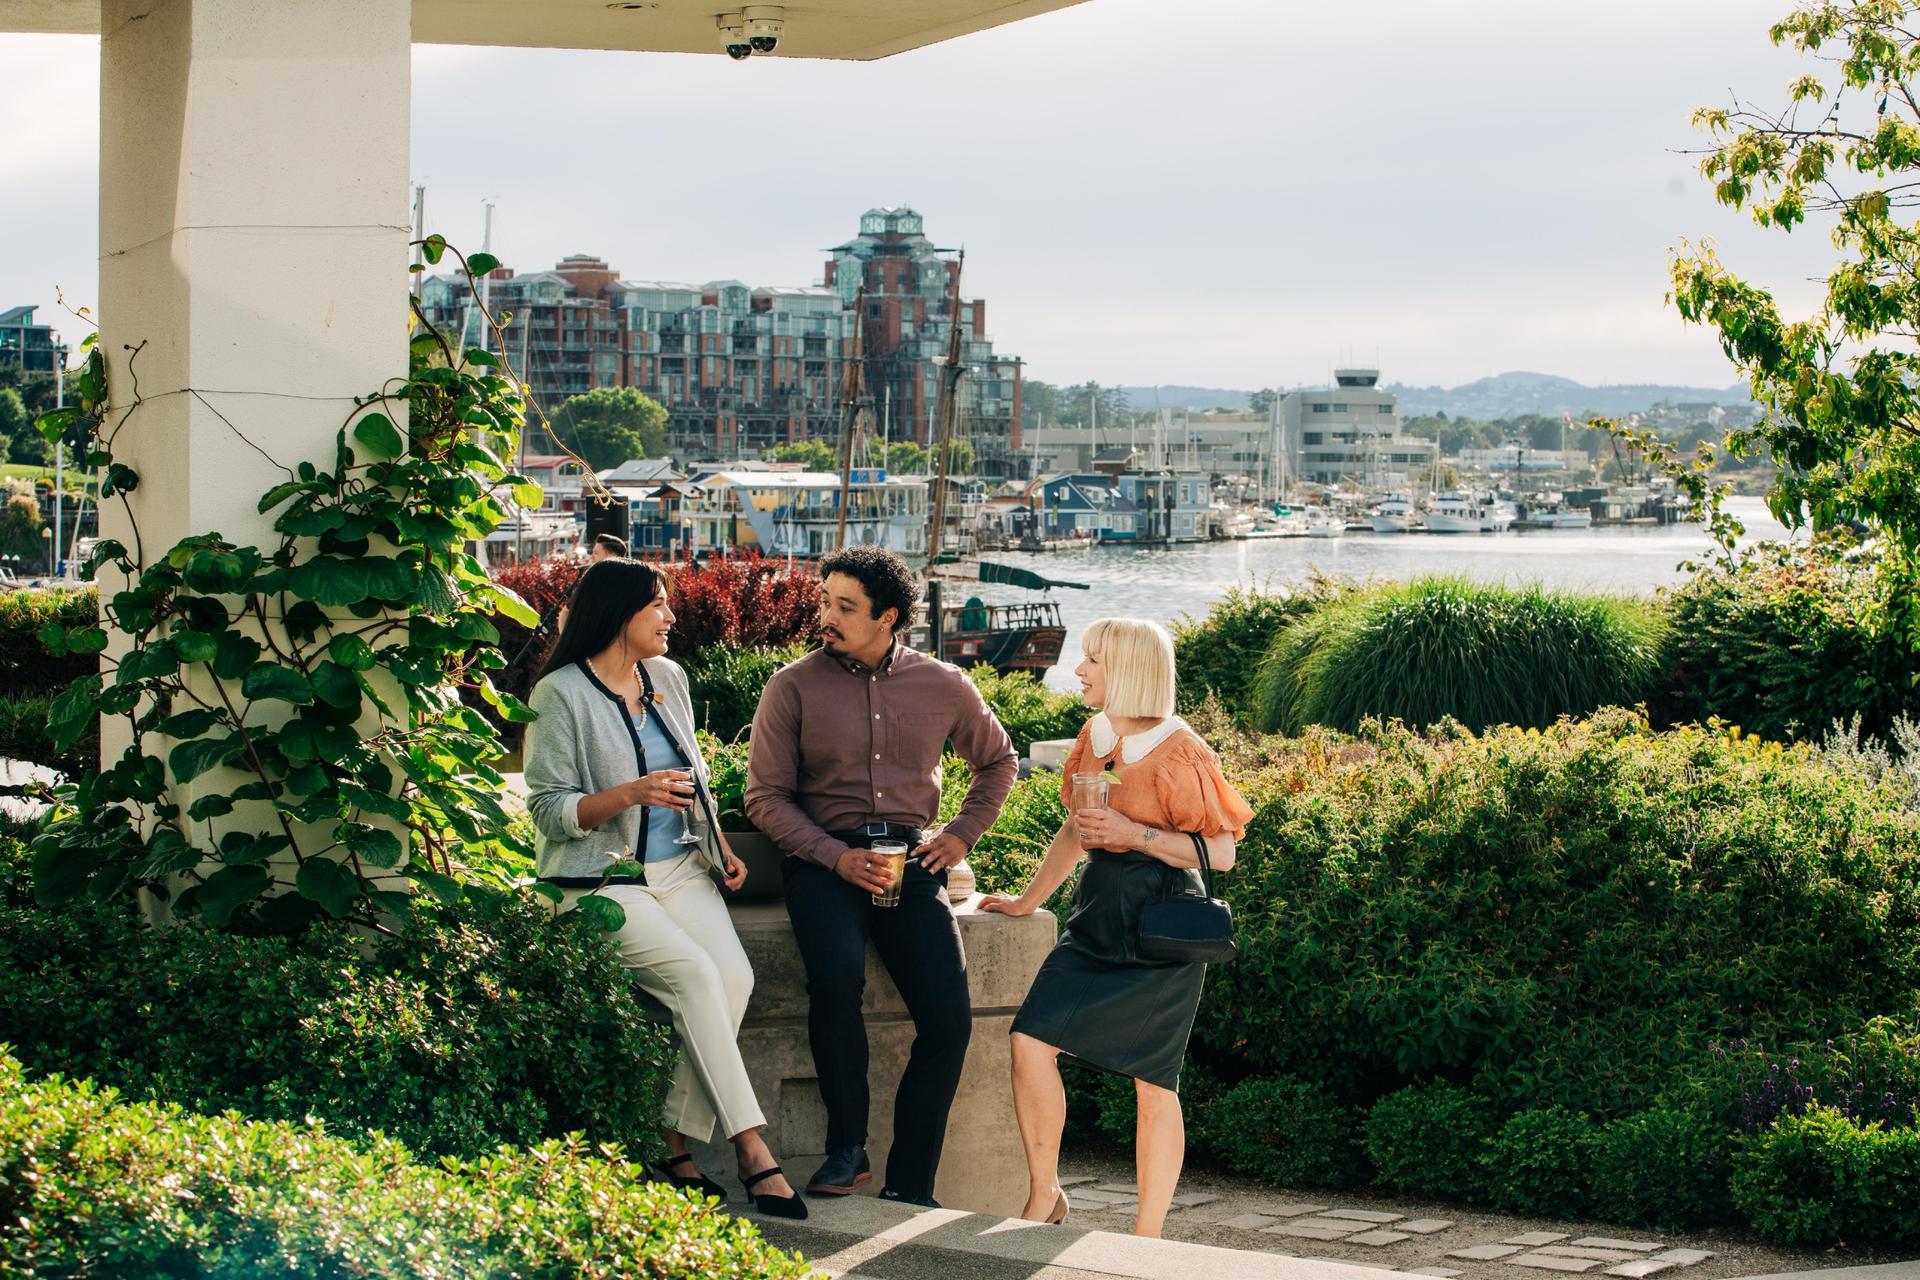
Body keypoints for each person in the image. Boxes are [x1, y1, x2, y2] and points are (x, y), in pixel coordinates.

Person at [523, 556, 805, 1219]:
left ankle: (673, 1144)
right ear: (621, 614)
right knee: (696, 976)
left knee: (734, 979)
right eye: (658, 605)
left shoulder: (669, 678)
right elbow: (547, 811)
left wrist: (722, 849)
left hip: (682, 872)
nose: (671, 616)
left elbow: (696, 779)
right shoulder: (559, 694)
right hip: (601, 880)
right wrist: (630, 794)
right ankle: (753, 1149)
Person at [745, 545, 1017, 1207]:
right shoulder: (792, 686)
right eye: (825, 602)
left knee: (949, 1022)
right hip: (822, 864)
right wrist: (835, 857)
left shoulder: (944, 684)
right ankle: (847, 1149)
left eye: (845, 607)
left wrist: (959, 835)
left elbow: (999, 762)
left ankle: (912, 1182)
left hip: (911, 861)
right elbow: (765, 797)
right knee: (835, 979)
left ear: (888, 616)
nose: (827, 617)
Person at [980, 618, 1253, 1238]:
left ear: (1128, 670)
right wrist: (1028, 901)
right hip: (1095, 918)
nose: (1078, 671)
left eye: (1092, 661)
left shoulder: (1182, 750)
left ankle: (1147, 1236)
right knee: (1029, 1042)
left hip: (1160, 929)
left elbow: (1223, 851)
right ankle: (1045, 1194)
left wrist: (1137, 836)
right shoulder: (1096, 735)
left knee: (1153, 1083)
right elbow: (1076, 830)